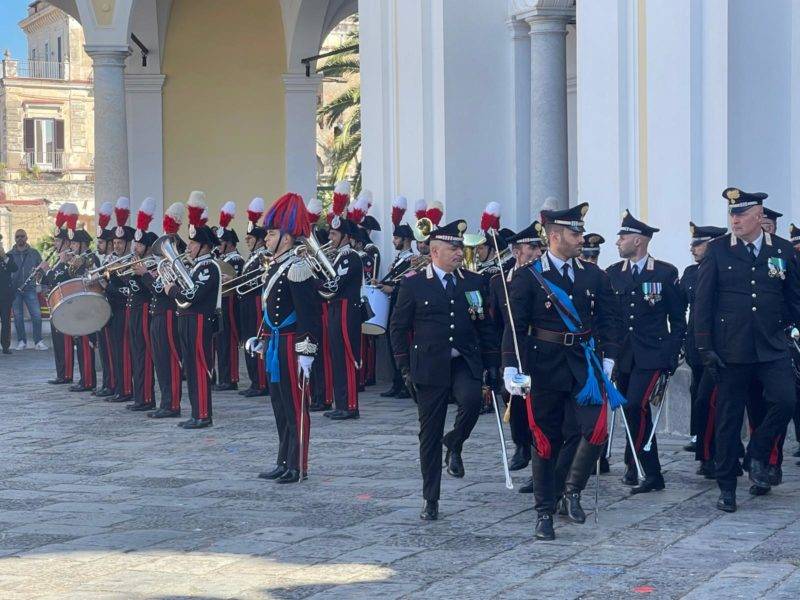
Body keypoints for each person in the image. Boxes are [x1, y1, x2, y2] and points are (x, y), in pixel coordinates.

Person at [503, 203, 622, 540]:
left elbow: (610, 319)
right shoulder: (529, 277)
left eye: (581, 232)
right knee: (545, 440)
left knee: (594, 429)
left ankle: (571, 490)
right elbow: (515, 326)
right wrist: (511, 366)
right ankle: (544, 511)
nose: (581, 238)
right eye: (575, 233)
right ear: (555, 236)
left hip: (584, 365)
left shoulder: (592, 274)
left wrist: (610, 357)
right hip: (544, 366)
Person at [694, 188, 800, 512]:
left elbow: (793, 298)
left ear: (759, 216)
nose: (735, 220)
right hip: (731, 350)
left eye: (741, 214)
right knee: (727, 420)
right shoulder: (718, 251)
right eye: (732, 214)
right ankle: (727, 487)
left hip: (772, 347)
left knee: (786, 400)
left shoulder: (781, 250)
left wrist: (793, 333)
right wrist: (705, 347)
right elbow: (703, 302)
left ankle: (758, 447)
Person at [391, 219, 499, 521]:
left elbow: (484, 325)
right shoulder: (413, 283)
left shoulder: (473, 282)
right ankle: (431, 498)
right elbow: (398, 328)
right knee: (429, 433)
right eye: (453, 248)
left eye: (460, 248)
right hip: (428, 365)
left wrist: (492, 364)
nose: (458, 253)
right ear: (435, 251)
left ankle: (455, 442)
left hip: (463, 360)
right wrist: (403, 368)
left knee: (472, 402)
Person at [606, 211, 686, 495]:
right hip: (624, 356)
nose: (618, 241)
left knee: (635, 406)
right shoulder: (614, 273)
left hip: (653, 354)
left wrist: (672, 354)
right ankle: (635, 464)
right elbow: (610, 319)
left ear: (638, 241)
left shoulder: (664, 273)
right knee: (631, 413)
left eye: (623, 236)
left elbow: (678, 319)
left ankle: (650, 471)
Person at [248, 192, 321, 484]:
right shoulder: (277, 266)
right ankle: (283, 460)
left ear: (287, 238)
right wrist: (261, 337)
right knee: (279, 405)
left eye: (273, 233)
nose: (267, 238)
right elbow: (271, 311)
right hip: (277, 344)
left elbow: (309, 316)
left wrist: (307, 352)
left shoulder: (298, 267)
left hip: (292, 346)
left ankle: (298, 464)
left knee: (295, 406)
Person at [488, 222, 545, 493]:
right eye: (531, 247)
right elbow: (497, 322)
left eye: (539, 247)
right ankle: (521, 445)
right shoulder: (498, 281)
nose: (536, 252)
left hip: (541, 352)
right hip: (513, 351)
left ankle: (539, 470)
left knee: (539, 412)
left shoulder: (547, 277)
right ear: (515, 251)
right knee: (513, 402)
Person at [166, 191, 222, 429]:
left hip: (200, 320)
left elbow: (193, 295)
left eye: (193, 243)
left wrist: (171, 290)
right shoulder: (196, 267)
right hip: (188, 319)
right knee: (189, 366)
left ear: (204, 246)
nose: (188, 247)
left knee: (199, 366)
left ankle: (202, 415)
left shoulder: (208, 267)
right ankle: (195, 412)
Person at [680, 222, 727, 479]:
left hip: (720, 347)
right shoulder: (689, 272)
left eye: (698, 243)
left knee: (710, 401)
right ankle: (706, 449)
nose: (693, 248)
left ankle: (713, 454)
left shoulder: (726, 270)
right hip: (695, 348)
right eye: (693, 244)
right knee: (700, 397)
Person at [135, 202, 186, 419]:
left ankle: (172, 404)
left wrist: (145, 274)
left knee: (169, 359)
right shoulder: (163, 266)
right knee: (160, 360)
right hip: (157, 315)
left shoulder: (178, 266)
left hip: (167, 314)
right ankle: (165, 402)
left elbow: (159, 289)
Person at [320, 214, 364, 421]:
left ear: (345, 236)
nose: (330, 237)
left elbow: (337, 284)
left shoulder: (350, 257)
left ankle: (350, 405)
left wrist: (314, 283)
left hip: (347, 308)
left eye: (334, 233)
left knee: (346, 355)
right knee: (336, 355)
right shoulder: (338, 257)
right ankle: (341, 403)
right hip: (336, 307)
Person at [375, 204, 415, 399]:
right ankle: (397, 382)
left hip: (404, 307)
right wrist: (380, 283)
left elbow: (409, 285)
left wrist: (391, 288)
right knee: (393, 344)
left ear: (406, 240)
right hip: (393, 305)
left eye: (396, 238)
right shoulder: (399, 259)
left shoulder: (413, 260)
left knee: (401, 344)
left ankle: (405, 383)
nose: (393, 241)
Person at [122, 198, 158, 411]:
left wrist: (142, 272)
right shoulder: (135, 261)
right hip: (133, 309)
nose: (136, 247)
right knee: (135, 352)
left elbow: (151, 288)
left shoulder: (151, 263)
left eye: (140, 244)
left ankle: (146, 397)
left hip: (145, 309)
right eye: (135, 243)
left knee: (144, 353)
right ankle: (139, 396)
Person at [40, 203, 80, 384]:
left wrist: (48, 271)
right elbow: (47, 282)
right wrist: (43, 272)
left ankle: (67, 374)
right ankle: (61, 373)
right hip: (56, 303)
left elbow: (60, 278)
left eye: (57, 241)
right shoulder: (58, 258)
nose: (55, 244)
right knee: (57, 341)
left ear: (65, 241)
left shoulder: (70, 258)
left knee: (64, 341)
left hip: (67, 305)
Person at [105, 197, 136, 403]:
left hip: (126, 310)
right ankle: (117, 385)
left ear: (127, 244)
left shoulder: (132, 262)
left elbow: (128, 290)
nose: (116, 246)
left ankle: (125, 389)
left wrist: (111, 283)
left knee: (124, 351)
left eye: (120, 243)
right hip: (112, 310)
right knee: (115, 350)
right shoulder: (109, 261)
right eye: (114, 242)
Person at [238, 197, 269, 398]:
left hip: (257, 301)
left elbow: (256, 280)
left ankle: (261, 382)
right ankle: (254, 380)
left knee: (256, 338)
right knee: (248, 338)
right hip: (247, 301)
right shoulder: (252, 257)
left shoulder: (263, 256)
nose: (246, 241)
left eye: (249, 239)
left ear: (259, 239)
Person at [214, 202, 245, 391]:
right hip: (220, 303)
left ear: (229, 243)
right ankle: (223, 376)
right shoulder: (221, 258)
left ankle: (231, 377)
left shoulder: (237, 259)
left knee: (229, 340)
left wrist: (229, 278)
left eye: (221, 243)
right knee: (220, 341)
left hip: (231, 302)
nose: (218, 246)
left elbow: (237, 281)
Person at [66, 225, 98, 392]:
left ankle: (88, 380)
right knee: (80, 341)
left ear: (82, 244)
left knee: (87, 342)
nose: (71, 246)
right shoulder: (78, 258)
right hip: (79, 303)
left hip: (88, 304)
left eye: (74, 243)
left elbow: (90, 277)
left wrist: (79, 263)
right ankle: (84, 378)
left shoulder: (90, 257)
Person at [93, 201, 117, 397]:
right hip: (101, 310)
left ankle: (114, 383)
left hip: (113, 310)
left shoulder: (113, 262)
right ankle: (107, 383)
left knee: (112, 350)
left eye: (100, 242)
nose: (97, 246)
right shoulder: (101, 261)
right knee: (104, 348)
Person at [8, 229, 45, 350]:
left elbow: (42, 269)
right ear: (15, 238)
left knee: (37, 315)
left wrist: (38, 273)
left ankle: (38, 341)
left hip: (30, 288)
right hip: (15, 289)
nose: (20, 238)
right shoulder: (9, 254)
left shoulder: (34, 253)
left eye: (22, 236)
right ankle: (21, 341)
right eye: (17, 236)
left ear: (26, 237)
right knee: (18, 317)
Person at [0, 233, 18, 354]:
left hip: (5, 295)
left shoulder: (8, 257)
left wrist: (4, 257)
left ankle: (5, 346)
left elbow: (14, 268)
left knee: (6, 321)